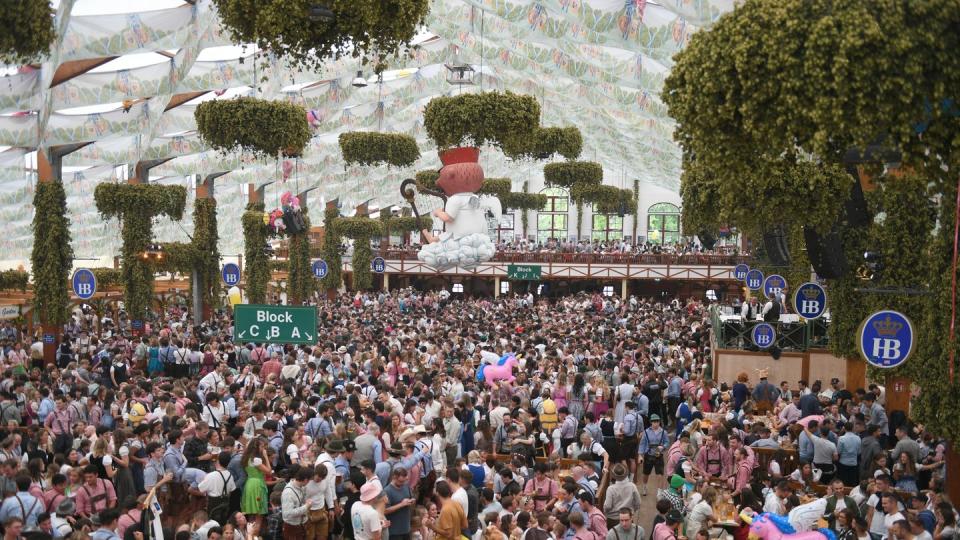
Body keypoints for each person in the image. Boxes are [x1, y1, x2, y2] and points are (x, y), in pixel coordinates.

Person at [281, 467, 314, 540]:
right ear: (305, 480)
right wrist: (306, 507)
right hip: (292, 528)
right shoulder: (288, 493)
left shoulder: (301, 487)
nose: (309, 483)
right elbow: (287, 513)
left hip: (301, 525)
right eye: (309, 481)